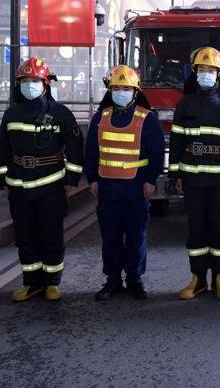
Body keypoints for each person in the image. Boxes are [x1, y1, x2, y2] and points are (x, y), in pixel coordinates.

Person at [0, 57, 84, 302]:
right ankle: (32, 282)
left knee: (51, 234)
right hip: (19, 186)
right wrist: (2, 176)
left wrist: (72, 178)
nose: (30, 85)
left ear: (45, 84)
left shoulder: (59, 113)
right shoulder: (11, 114)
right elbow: (3, 147)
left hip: (51, 185)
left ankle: (52, 283)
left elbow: (75, 146)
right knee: (25, 235)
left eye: (35, 81)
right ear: (18, 84)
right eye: (25, 81)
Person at [169, 47, 220, 300]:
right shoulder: (185, 104)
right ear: (195, 74)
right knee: (196, 229)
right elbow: (177, 141)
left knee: (219, 229)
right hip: (192, 179)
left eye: (211, 71)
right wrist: (175, 175)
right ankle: (197, 279)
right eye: (202, 70)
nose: (206, 75)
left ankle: (219, 279)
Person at [85, 65, 164, 301]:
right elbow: (91, 152)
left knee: (135, 237)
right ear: (110, 90)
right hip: (107, 189)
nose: (121, 92)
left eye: (126, 88)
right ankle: (112, 281)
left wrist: (151, 181)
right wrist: (92, 180)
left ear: (135, 91)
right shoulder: (100, 117)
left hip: (136, 189)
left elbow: (157, 152)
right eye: (116, 88)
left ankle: (134, 280)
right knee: (110, 238)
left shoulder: (147, 118)